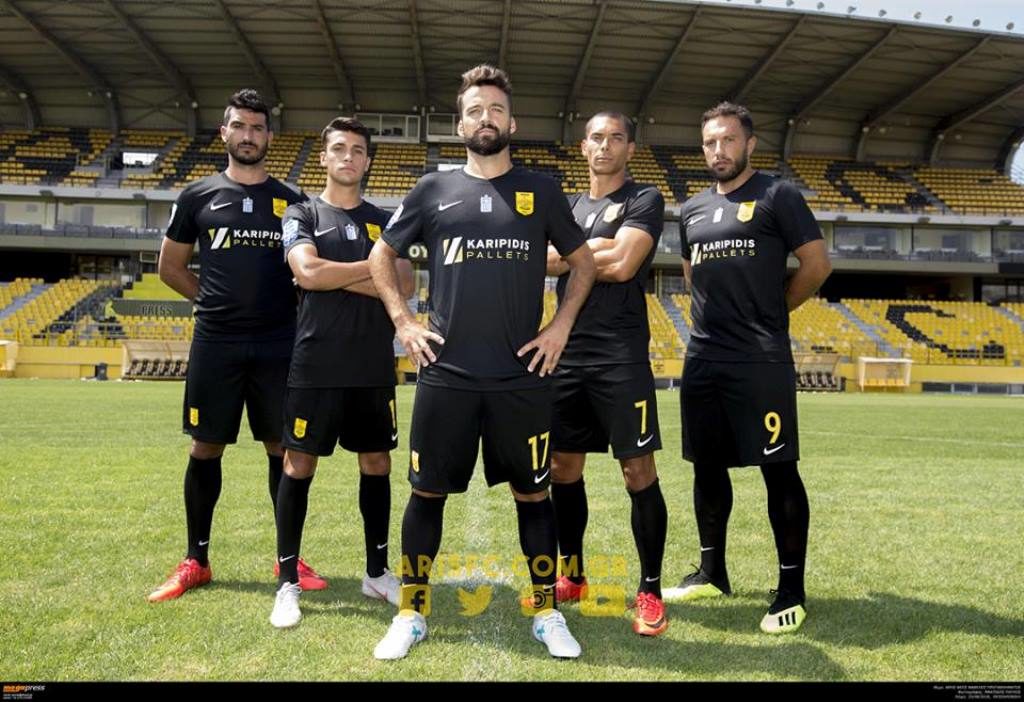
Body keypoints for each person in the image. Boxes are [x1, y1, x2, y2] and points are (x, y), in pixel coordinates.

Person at [367, 64, 596, 660]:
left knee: (534, 495)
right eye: (475, 110)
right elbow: (381, 255)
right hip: (447, 374)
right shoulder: (432, 190)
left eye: (495, 109)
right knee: (426, 494)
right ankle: (411, 611)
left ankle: (545, 611)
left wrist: (560, 327)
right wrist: (403, 321)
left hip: (522, 375)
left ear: (511, 122)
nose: (485, 119)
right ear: (460, 123)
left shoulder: (542, 190)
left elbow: (584, 263)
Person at [663, 102, 831, 634]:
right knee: (706, 467)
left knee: (777, 468)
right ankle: (712, 572)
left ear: (749, 144)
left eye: (728, 140)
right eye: (710, 142)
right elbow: (692, 275)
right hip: (703, 357)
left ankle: (791, 588)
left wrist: (774, 311)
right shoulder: (691, 210)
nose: (719, 150)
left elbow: (816, 265)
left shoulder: (778, 195)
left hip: (760, 360)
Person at [149, 89, 323, 602]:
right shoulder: (197, 196)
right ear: (224, 133)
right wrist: (210, 301)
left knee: (283, 449)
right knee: (206, 445)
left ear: (269, 136)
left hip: (279, 343)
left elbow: (307, 270)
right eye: (239, 126)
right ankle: (196, 560)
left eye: (257, 127)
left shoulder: (293, 202)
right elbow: (169, 267)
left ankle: (288, 559)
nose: (248, 135)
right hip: (217, 342)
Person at [268, 117, 415, 628]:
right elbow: (306, 272)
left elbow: (406, 283)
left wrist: (337, 275)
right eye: (338, 148)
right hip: (316, 364)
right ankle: (287, 582)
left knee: (377, 463)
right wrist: (375, 271)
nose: (347, 157)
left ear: (368, 160)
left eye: (356, 149)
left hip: (372, 365)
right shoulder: (302, 212)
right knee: (298, 465)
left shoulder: (386, 219)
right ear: (324, 157)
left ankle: (376, 573)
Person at [545, 111, 668, 636]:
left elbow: (622, 265)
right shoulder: (566, 207)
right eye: (597, 137)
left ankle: (650, 590)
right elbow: (540, 261)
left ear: (630, 149)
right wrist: (594, 249)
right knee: (562, 468)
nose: (605, 146)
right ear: (583, 146)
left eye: (616, 138)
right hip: (565, 351)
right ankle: (572, 575)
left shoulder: (645, 199)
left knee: (637, 471)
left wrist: (574, 254)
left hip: (621, 356)